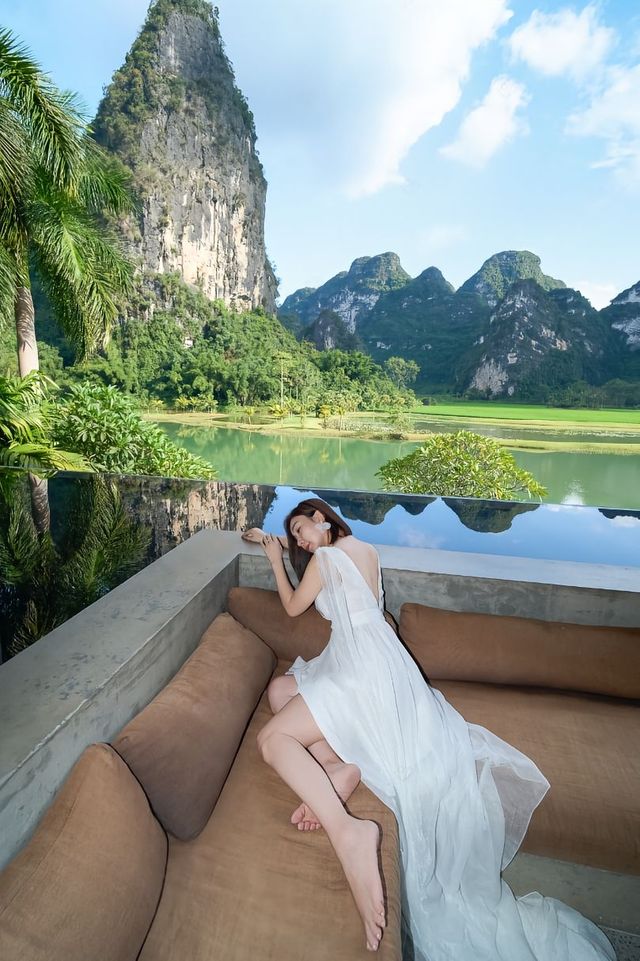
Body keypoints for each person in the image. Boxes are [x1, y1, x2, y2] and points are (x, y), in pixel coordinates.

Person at [241, 498, 616, 961]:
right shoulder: (367, 552)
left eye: (301, 528)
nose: (299, 540)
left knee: (271, 738)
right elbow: (373, 620)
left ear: (323, 518)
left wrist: (276, 560)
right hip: (373, 665)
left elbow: (295, 607)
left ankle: (348, 832)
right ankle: (337, 767)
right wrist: (280, 544)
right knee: (282, 692)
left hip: (358, 671)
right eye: (294, 537)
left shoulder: (325, 557)